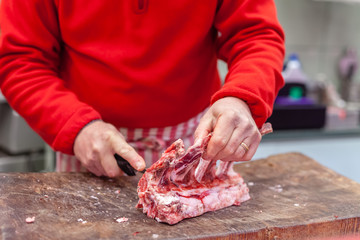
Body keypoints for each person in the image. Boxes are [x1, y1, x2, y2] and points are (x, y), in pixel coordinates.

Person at [0, 0, 285, 178]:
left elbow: (255, 35)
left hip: (194, 142)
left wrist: (242, 96)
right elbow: (19, 59)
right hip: (89, 144)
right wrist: (73, 126)